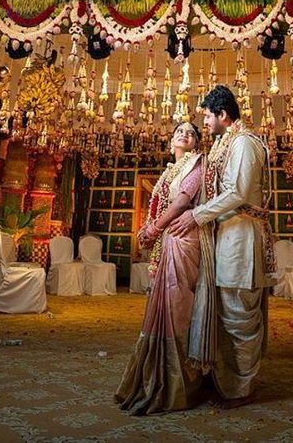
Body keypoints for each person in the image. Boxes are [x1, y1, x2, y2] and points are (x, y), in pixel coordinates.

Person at [168, 85, 274, 409]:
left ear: (223, 115)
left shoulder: (243, 143)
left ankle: (241, 389)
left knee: (240, 318)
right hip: (226, 239)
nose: (205, 122)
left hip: (241, 243)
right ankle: (228, 384)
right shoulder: (225, 145)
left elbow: (237, 193)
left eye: (208, 116)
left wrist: (196, 216)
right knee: (227, 317)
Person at [115, 122, 207, 415]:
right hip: (168, 238)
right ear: (171, 143)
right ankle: (156, 376)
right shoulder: (170, 170)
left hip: (182, 239)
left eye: (192, 133)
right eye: (180, 131)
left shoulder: (196, 165)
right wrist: (152, 229)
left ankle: (179, 384)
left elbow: (181, 203)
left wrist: (153, 229)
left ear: (196, 143)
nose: (185, 134)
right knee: (164, 302)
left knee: (177, 305)